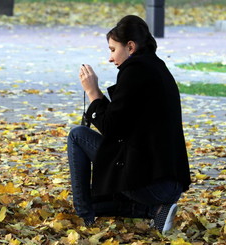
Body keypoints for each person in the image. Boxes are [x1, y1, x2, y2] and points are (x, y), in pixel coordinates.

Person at [67, 15, 191, 234]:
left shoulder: (136, 72)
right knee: (105, 191)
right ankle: (156, 211)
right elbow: (120, 123)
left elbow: (111, 129)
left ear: (130, 46)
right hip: (168, 183)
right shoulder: (154, 67)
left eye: (113, 50)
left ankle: (85, 215)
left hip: (154, 184)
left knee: (77, 134)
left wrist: (92, 92)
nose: (110, 58)